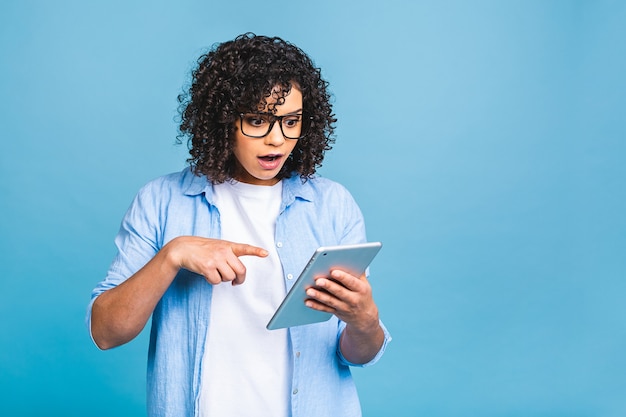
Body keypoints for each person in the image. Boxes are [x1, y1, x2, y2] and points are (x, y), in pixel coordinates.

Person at [87, 33, 391, 417]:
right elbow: (106, 332)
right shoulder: (161, 200)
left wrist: (365, 320)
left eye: (291, 121)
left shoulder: (332, 205)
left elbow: (355, 355)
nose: (277, 140)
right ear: (223, 120)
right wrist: (172, 255)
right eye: (257, 121)